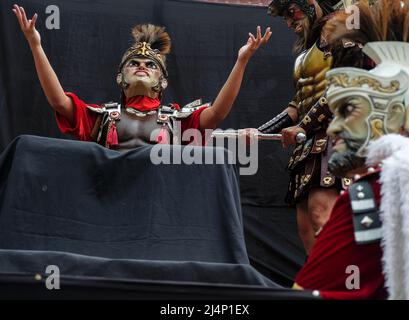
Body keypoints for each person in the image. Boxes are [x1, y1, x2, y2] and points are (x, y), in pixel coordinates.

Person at [12, 5, 271, 151]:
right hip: (111, 196)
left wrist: (241, 61)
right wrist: (36, 45)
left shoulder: (176, 120)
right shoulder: (102, 117)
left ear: (163, 82)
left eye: (150, 65)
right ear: (119, 78)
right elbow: (59, 102)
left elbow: (216, 114)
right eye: (133, 63)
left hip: (157, 204)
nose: (142, 67)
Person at [294, 0, 409, 299]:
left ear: (394, 112)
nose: (334, 127)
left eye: (347, 110)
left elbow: (307, 294)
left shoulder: (371, 196)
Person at [248, 0, 352, 255]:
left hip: (334, 136)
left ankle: (345, 289)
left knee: (322, 218)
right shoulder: (308, 52)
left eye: (290, 12)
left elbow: (344, 87)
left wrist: (302, 126)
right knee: (307, 230)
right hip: (307, 145)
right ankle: (320, 290)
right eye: (284, 16)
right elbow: (297, 104)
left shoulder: (340, 32)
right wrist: (259, 132)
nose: (288, 21)